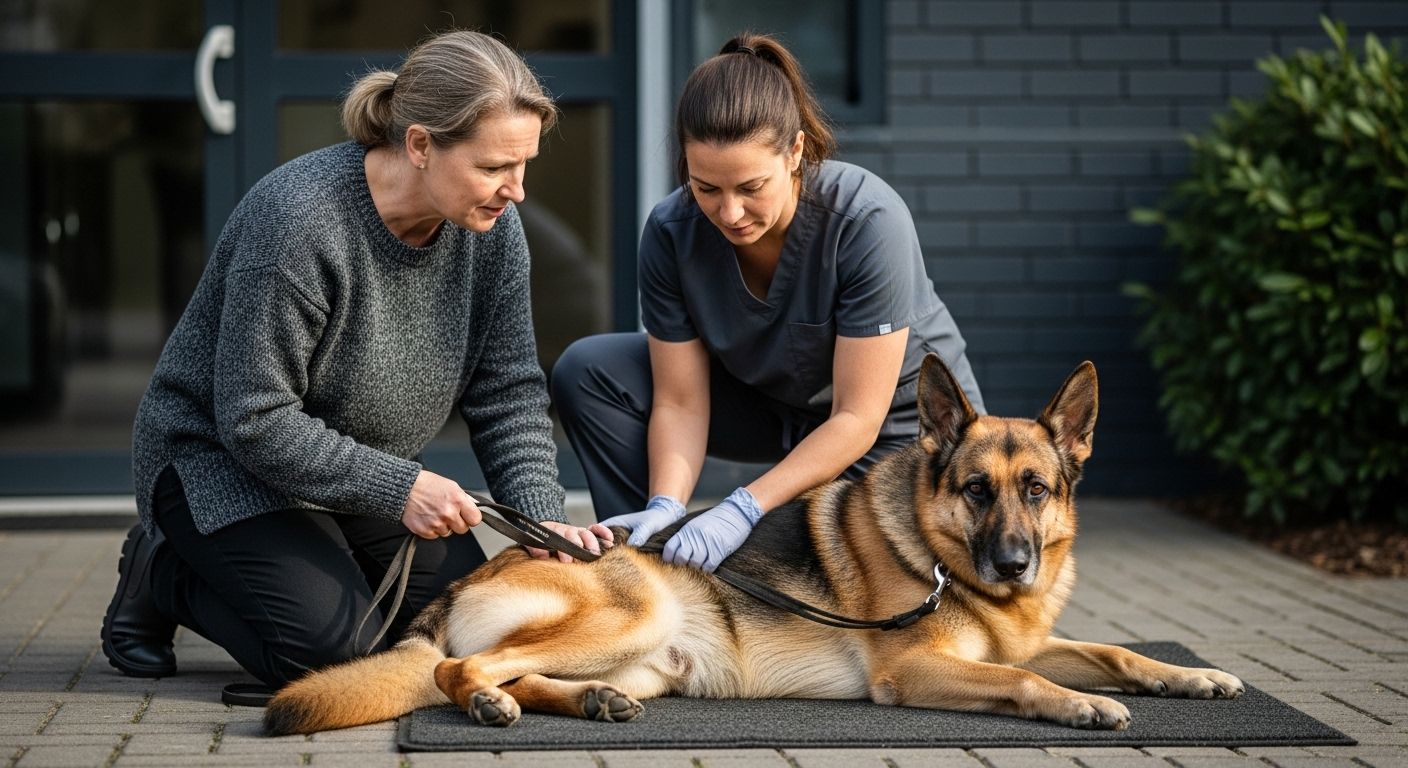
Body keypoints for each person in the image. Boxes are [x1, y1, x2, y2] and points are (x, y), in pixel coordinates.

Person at [101, 29, 612, 688]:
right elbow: (254, 419)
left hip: (355, 473)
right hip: (219, 466)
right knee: (338, 659)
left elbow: (506, 392)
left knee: (462, 630)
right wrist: (401, 489)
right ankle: (160, 571)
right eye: (492, 168)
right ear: (421, 145)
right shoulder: (300, 222)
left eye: (524, 166)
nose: (514, 191)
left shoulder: (493, 232)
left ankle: (315, 556)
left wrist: (540, 516)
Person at [552, 33, 984, 572]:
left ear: (797, 151)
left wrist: (744, 507)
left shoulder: (866, 222)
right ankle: (642, 566)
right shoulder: (670, 231)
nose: (730, 212)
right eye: (706, 188)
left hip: (892, 433)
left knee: (827, 576)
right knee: (591, 372)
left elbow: (857, 416)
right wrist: (666, 503)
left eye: (751, 186)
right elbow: (681, 401)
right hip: (771, 404)